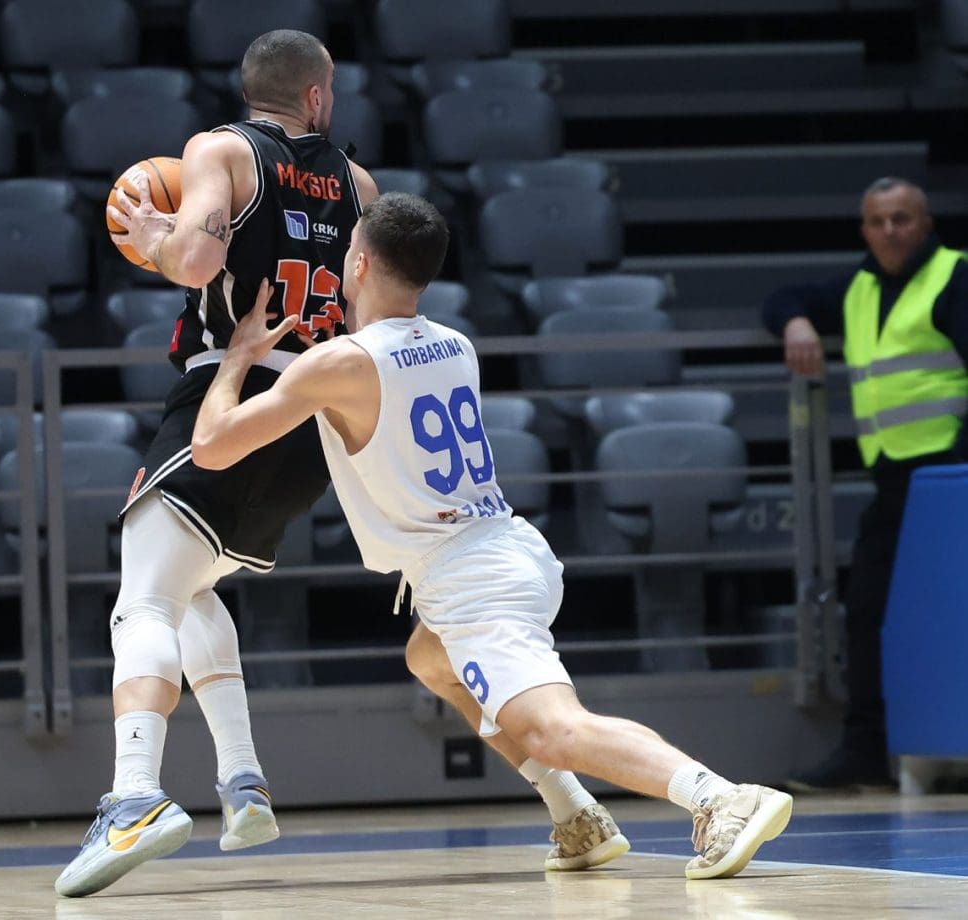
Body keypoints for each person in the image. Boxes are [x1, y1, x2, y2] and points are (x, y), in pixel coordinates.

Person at [192, 192, 795, 881]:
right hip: (506, 549)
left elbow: (211, 446)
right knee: (430, 660)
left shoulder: (339, 365)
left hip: (472, 580)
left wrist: (236, 357)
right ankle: (576, 814)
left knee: (555, 729)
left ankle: (721, 798)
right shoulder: (455, 343)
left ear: (356, 262)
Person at [54, 29, 377, 899]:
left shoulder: (221, 150)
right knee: (190, 588)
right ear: (318, 96)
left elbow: (194, 260)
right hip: (309, 418)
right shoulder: (360, 185)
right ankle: (242, 782)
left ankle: (134, 800)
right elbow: (369, 313)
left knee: (143, 602)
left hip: (227, 398)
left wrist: (157, 234)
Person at [763, 177, 968, 793]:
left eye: (902, 219)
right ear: (863, 229)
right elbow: (781, 297)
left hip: (951, 477)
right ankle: (866, 751)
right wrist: (797, 322)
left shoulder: (955, 278)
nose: (889, 231)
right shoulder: (858, 286)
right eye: (877, 222)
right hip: (897, 480)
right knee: (869, 613)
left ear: (926, 224)